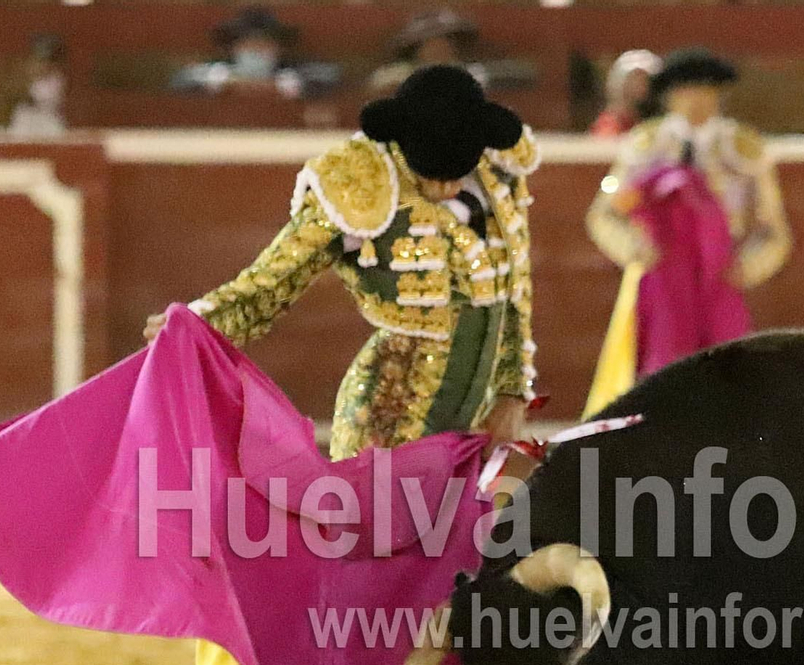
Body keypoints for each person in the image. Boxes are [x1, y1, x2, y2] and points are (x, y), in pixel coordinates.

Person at [144, 64, 539, 458]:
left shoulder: (496, 179)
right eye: (432, 175)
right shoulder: (363, 180)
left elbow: (514, 295)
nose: (446, 187)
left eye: (458, 174)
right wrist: (195, 323)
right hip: (387, 421)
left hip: (472, 430)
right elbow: (274, 280)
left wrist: (512, 392)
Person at [582, 48, 791, 416]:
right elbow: (603, 215)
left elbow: (774, 231)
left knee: (726, 378)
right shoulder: (644, 145)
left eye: (705, 91)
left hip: (719, 276)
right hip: (661, 277)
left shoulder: (745, 147)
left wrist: (749, 266)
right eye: (685, 92)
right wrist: (636, 248)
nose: (695, 101)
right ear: (669, 97)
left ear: (718, 95)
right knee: (659, 376)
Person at [171, 5, 340, 101]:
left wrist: (280, 85)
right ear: (233, 47)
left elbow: (330, 76)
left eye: (263, 43)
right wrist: (224, 81)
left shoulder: (296, 70)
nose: (255, 50)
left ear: (278, 47)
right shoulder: (216, 71)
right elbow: (181, 80)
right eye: (248, 43)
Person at [367, 9, 487, 95]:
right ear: (416, 48)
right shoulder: (392, 75)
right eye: (431, 42)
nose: (440, 47)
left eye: (446, 40)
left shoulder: (472, 72)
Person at [590, 49, 660, 138]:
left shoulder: (661, 123)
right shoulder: (610, 124)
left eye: (646, 80)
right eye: (635, 79)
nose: (641, 85)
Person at [8, 34, 67, 138]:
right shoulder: (27, 77)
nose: (42, 65)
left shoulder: (56, 80)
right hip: (24, 125)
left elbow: (30, 98)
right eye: (39, 61)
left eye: (46, 61)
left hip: (47, 124)